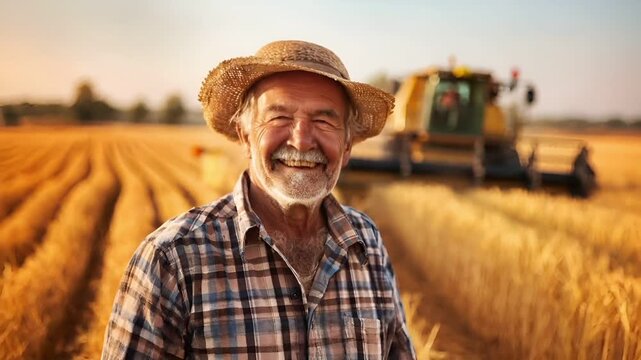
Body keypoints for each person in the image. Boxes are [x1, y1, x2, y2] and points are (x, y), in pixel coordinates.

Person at [102, 40, 416, 359]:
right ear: (245, 135)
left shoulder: (368, 245)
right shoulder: (173, 261)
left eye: (323, 121)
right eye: (279, 117)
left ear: (347, 146)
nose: (302, 140)